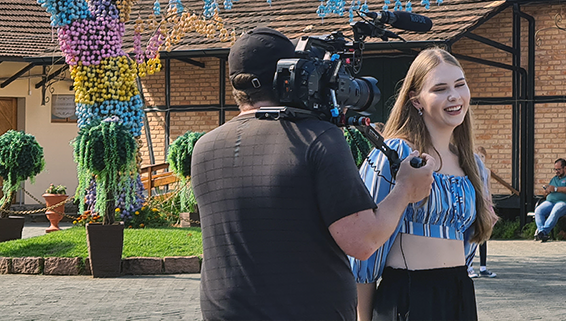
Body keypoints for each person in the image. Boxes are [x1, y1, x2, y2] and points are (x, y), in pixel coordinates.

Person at [191, 28, 435, 321]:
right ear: (292, 75)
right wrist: (405, 190)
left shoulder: (204, 147)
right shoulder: (318, 139)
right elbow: (363, 241)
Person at [351, 48, 497, 321]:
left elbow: (468, 244)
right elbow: (365, 252)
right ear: (416, 100)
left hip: (460, 294)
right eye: (440, 89)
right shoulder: (396, 155)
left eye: (460, 84)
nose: (454, 96)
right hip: (408, 296)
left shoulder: (474, 166)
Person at [467, 146, 497, 279]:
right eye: (478, 157)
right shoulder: (473, 171)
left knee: (484, 235)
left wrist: (490, 205)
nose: (481, 159)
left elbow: (488, 189)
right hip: (475, 203)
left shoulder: (487, 171)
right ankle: (469, 266)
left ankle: (483, 267)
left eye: (482, 157)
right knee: (472, 235)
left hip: (485, 204)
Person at [533, 158, 566, 242]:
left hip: (565, 203)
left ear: (565, 168)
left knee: (556, 209)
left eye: (559, 169)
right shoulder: (554, 179)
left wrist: (555, 189)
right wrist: (547, 191)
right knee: (539, 210)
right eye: (555, 169)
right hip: (550, 202)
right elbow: (549, 191)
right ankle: (541, 231)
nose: (556, 171)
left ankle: (543, 232)